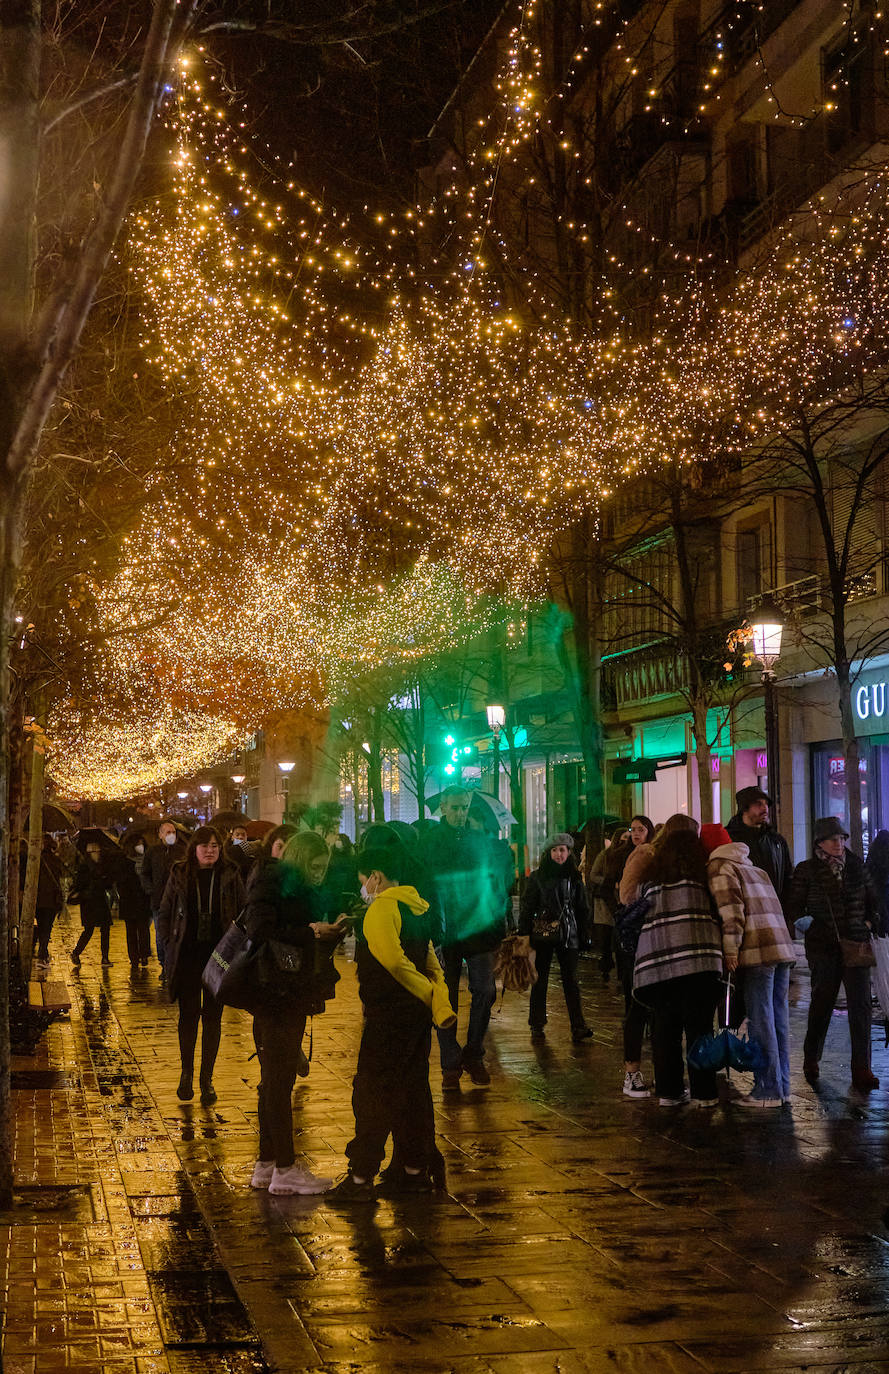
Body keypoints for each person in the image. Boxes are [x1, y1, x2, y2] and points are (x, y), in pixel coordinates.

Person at [327, 843, 455, 1202]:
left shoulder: (383, 908)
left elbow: (394, 963)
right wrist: (434, 995)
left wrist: (428, 994)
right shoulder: (415, 904)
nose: (363, 887)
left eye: (364, 880)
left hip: (390, 1014)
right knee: (413, 1092)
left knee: (373, 1093)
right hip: (415, 1018)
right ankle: (414, 1171)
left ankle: (361, 1176)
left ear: (377, 877)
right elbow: (431, 961)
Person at [242, 831, 344, 1195]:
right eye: (315, 866)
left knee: (274, 1079)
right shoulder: (271, 882)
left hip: (286, 991)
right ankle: (285, 1168)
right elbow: (260, 931)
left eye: (325, 867)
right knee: (278, 1081)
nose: (320, 873)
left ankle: (266, 1164)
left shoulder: (292, 886)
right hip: (274, 993)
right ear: (301, 861)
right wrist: (310, 930)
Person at [701, 823, 796, 1107]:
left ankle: (767, 1089)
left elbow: (733, 914)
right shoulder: (754, 868)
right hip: (780, 948)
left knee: (760, 1018)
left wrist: (730, 951)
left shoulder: (720, 868)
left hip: (756, 952)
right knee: (778, 1019)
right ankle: (783, 1086)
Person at [786, 816, 881, 1092]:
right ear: (820, 843)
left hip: (855, 946)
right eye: (833, 839)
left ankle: (862, 1067)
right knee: (822, 1001)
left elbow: (873, 900)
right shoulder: (807, 870)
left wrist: (868, 923)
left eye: (841, 839)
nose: (839, 844)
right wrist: (814, 929)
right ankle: (811, 1056)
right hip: (823, 947)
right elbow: (795, 908)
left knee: (861, 1005)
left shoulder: (856, 867)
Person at [422, 786, 506, 1089]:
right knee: (446, 998)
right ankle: (450, 1062)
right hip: (446, 930)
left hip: (477, 928)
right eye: (455, 807)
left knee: (484, 990)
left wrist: (498, 920)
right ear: (444, 807)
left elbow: (492, 883)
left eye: (464, 807)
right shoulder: (431, 842)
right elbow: (428, 885)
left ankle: (472, 1052)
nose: (460, 813)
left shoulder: (478, 841)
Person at [633, 827, 723, 1107]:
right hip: (701, 962)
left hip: (659, 964)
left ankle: (669, 1092)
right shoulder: (703, 878)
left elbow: (633, 906)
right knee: (700, 1028)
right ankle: (704, 1093)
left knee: (665, 1028)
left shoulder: (650, 882)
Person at [158, 826, 245, 1105]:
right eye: (205, 845)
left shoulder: (230, 874)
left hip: (218, 956)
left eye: (215, 845)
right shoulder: (180, 873)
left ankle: (206, 1079)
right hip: (187, 955)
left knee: (212, 1017)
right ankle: (186, 1073)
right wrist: (169, 944)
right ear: (194, 848)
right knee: (188, 1015)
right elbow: (165, 912)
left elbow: (243, 911)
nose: (210, 850)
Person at [518, 833, 592, 1044]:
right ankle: (536, 1023)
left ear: (569, 853)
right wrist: (524, 933)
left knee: (571, 981)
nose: (559, 854)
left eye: (562, 850)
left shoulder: (575, 878)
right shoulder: (537, 877)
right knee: (539, 979)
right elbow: (527, 906)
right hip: (543, 935)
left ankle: (578, 1025)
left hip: (569, 935)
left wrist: (585, 934)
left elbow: (582, 908)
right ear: (548, 853)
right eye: (555, 850)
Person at [726, 787, 793, 913]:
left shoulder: (776, 840)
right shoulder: (729, 839)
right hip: (744, 912)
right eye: (758, 804)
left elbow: (787, 877)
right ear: (744, 808)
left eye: (766, 804)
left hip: (775, 911)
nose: (765, 809)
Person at [142, 819, 187, 976]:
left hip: (178, 901)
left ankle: (173, 965)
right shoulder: (153, 852)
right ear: (160, 835)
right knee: (161, 935)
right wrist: (151, 890)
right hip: (158, 901)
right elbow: (145, 873)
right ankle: (164, 964)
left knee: (176, 934)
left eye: (173, 832)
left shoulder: (182, 851)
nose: (171, 835)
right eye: (168, 832)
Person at [70, 840, 114, 967]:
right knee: (89, 930)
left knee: (105, 929)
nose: (99, 854)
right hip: (89, 902)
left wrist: (105, 878)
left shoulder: (102, 865)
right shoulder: (84, 867)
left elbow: (108, 884)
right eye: (97, 851)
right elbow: (80, 884)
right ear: (91, 853)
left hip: (100, 901)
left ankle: (105, 958)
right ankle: (76, 953)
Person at [112, 836, 153, 971]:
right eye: (138, 844)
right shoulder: (124, 862)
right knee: (131, 931)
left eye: (142, 844)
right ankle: (134, 957)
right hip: (129, 901)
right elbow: (120, 882)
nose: (140, 846)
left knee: (143, 929)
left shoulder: (147, 860)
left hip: (143, 901)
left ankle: (144, 955)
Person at [33, 835, 65, 966]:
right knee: (47, 927)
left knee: (41, 926)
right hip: (52, 899)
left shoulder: (36, 860)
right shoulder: (55, 860)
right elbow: (61, 877)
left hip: (39, 899)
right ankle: (42, 953)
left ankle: (43, 952)